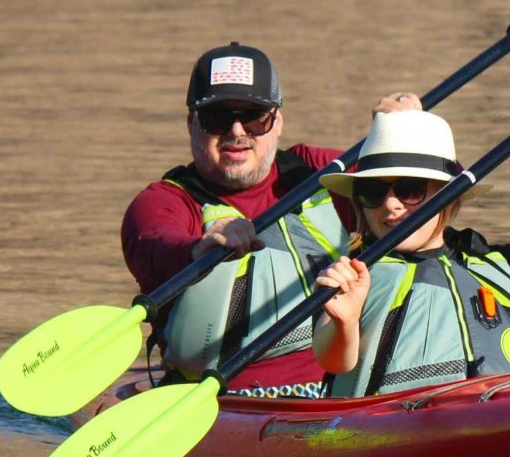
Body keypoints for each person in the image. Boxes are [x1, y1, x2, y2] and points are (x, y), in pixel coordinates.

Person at [312, 91, 510, 396]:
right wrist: (345, 321)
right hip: (397, 434)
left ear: (446, 196)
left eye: (410, 189)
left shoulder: (495, 264)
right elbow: (334, 361)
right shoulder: (350, 277)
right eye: (373, 192)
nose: (391, 204)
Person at [121, 41, 359, 398]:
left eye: (253, 116)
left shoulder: (318, 171)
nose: (236, 131)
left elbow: (425, 187)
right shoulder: (164, 202)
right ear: (192, 124)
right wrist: (201, 248)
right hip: (221, 400)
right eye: (217, 117)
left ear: (277, 122)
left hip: (337, 390)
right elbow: (155, 244)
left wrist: (404, 130)